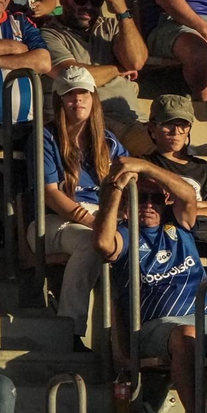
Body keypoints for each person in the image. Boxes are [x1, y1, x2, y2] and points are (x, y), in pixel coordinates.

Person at [92, 153, 207, 413]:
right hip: (154, 327)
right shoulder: (125, 234)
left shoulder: (179, 224)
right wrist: (118, 188)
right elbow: (103, 244)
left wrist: (144, 167)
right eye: (141, 198)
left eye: (154, 199)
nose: (148, 205)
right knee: (185, 335)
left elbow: (187, 194)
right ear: (128, 204)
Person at [36, 65, 127, 338]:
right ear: (59, 101)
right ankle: (71, 332)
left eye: (83, 93)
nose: (77, 100)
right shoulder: (45, 137)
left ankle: (127, 339)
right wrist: (91, 220)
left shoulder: (108, 141)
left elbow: (128, 180)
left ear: (93, 97)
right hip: (52, 221)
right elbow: (49, 193)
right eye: (69, 94)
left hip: (104, 217)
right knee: (91, 244)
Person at [40, 0, 147, 138]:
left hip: (131, 121)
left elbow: (136, 62)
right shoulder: (48, 35)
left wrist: (123, 12)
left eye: (97, 1)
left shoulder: (112, 27)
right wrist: (118, 69)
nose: (88, 6)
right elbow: (74, 78)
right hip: (84, 124)